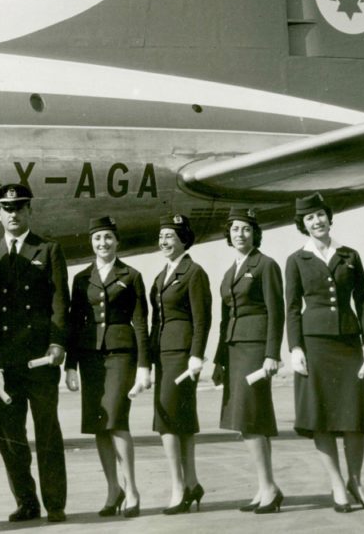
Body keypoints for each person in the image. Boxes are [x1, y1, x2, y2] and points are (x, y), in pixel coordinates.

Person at [0, 183, 69, 523]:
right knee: (10, 438)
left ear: (29, 211)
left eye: (19, 208)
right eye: (7, 208)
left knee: (47, 432)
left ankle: (55, 503)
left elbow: (60, 302)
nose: (13, 214)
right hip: (6, 363)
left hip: (40, 358)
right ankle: (27, 501)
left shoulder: (48, 249)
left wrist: (58, 343)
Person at [285, 192, 364, 513]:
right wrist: (295, 347)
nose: (317, 221)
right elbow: (292, 307)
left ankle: (357, 480)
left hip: (349, 342)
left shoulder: (349, 255)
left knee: (354, 415)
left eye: (321, 215)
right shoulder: (296, 259)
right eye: (310, 218)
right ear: (303, 224)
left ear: (329, 217)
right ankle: (337, 483)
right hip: (314, 345)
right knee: (322, 418)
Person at [65, 216, 150, 518]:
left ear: (117, 241)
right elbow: (74, 325)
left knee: (116, 419)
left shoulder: (131, 275)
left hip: (120, 354)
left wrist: (144, 365)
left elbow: (140, 323)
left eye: (108, 238)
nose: (103, 243)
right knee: (99, 423)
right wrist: (70, 365)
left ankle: (133, 489)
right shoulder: (80, 278)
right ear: (91, 242)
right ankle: (113, 489)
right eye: (98, 238)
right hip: (90, 358)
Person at [211, 207, 284, 514]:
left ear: (255, 234)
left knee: (251, 418)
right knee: (250, 421)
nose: (240, 234)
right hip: (234, 349)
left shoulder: (265, 265)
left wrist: (271, 354)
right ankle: (265, 486)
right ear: (228, 234)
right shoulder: (230, 272)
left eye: (246, 229)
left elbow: (275, 311)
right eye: (235, 229)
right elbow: (225, 318)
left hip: (255, 348)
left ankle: (268, 487)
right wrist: (218, 360)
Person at [149, 214, 212, 515]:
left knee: (168, 422)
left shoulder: (193, 272)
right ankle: (192, 483)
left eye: (170, 237)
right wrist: (147, 360)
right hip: (163, 355)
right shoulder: (162, 274)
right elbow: (155, 322)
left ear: (184, 239)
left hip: (182, 355)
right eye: (161, 236)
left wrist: (197, 355)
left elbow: (202, 319)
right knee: (181, 421)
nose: (164, 242)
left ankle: (177, 487)